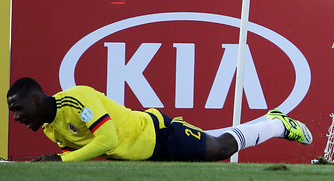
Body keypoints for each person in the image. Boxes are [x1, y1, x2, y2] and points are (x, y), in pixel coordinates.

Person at [6, 77, 312, 162]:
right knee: (210, 140)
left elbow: (108, 140)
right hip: (142, 157)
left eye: (18, 109)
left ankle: (277, 124)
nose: (17, 117)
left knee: (220, 149)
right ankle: (272, 121)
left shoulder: (78, 98)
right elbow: (83, 151)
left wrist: (59, 162)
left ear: (36, 98)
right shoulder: (49, 128)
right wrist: (61, 158)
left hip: (157, 134)